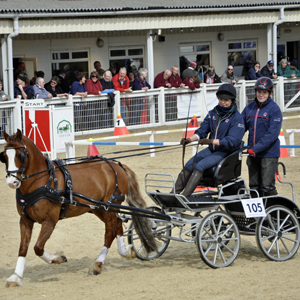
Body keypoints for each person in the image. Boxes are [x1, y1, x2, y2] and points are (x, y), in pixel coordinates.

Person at [174, 83, 245, 198]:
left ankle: (184, 197)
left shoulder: (237, 118)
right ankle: (174, 194)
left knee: (200, 165)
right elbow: (202, 130)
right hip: (212, 149)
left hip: (226, 152)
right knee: (189, 164)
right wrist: (190, 139)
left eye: (226, 100)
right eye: (221, 99)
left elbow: (232, 141)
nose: (223, 102)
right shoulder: (213, 113)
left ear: (232, 100)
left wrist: (211, 141)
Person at [241, 77, 282, 197]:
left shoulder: (274, 109)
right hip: (252, 154)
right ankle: (257, 215)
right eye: (259, 91)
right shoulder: (249, 108)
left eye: (264, 92)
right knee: (254, 187)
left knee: (267, 187)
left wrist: (255, 148)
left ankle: (273, 213)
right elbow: (240, 127)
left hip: (268, 154)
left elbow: (272, 134)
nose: (261, 95)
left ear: (270, 93)